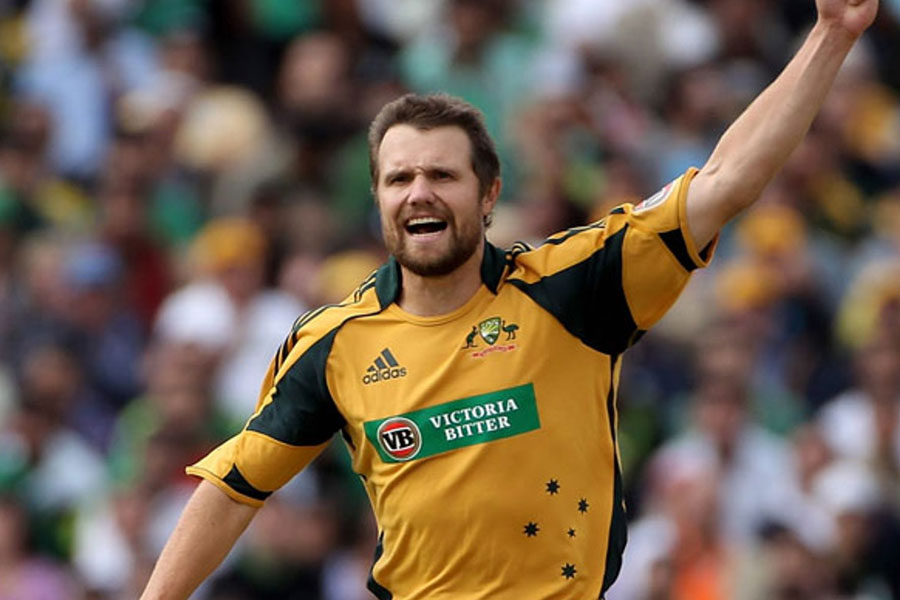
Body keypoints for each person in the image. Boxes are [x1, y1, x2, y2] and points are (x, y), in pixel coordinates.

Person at [140, 1, 879, 598]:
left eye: (442, 175)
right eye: (399, 179)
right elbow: (233, 489)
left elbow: (724, 183)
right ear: (377, 199)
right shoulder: (336, 342)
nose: (419, 192)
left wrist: (830, 34)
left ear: (489, 194)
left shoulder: (572, 286)